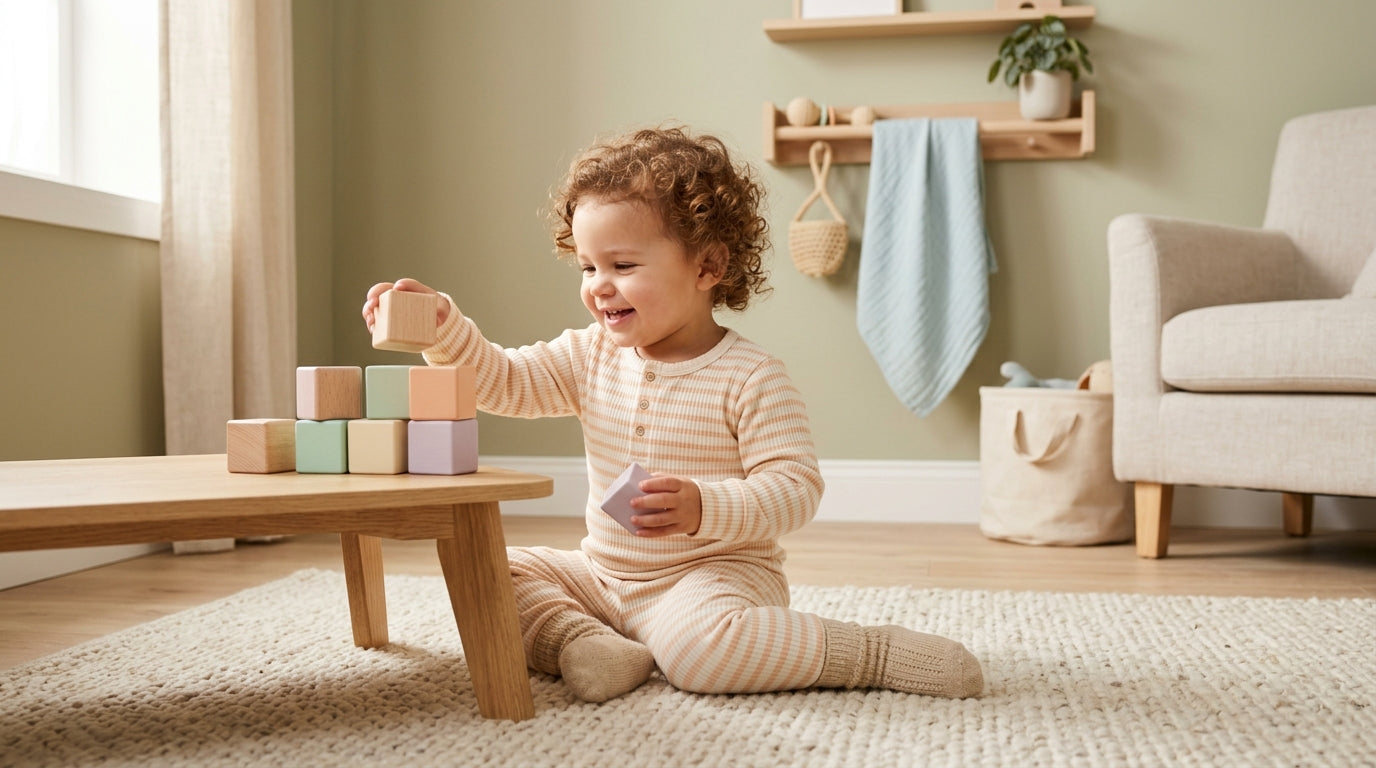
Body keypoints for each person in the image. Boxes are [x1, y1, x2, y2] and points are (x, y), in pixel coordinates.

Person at [361, 126, 984, 703]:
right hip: (603, 576)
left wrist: (704, 506)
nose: (598, 285)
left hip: (713, 576)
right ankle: (584, 641)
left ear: (708, 266)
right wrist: (443, 330)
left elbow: (796, 489)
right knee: (486, 570)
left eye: (622, 266)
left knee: (700, 656)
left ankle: (869, 653)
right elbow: (505, 382)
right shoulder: (588, 354)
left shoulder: (752, 376)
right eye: (588, 266)